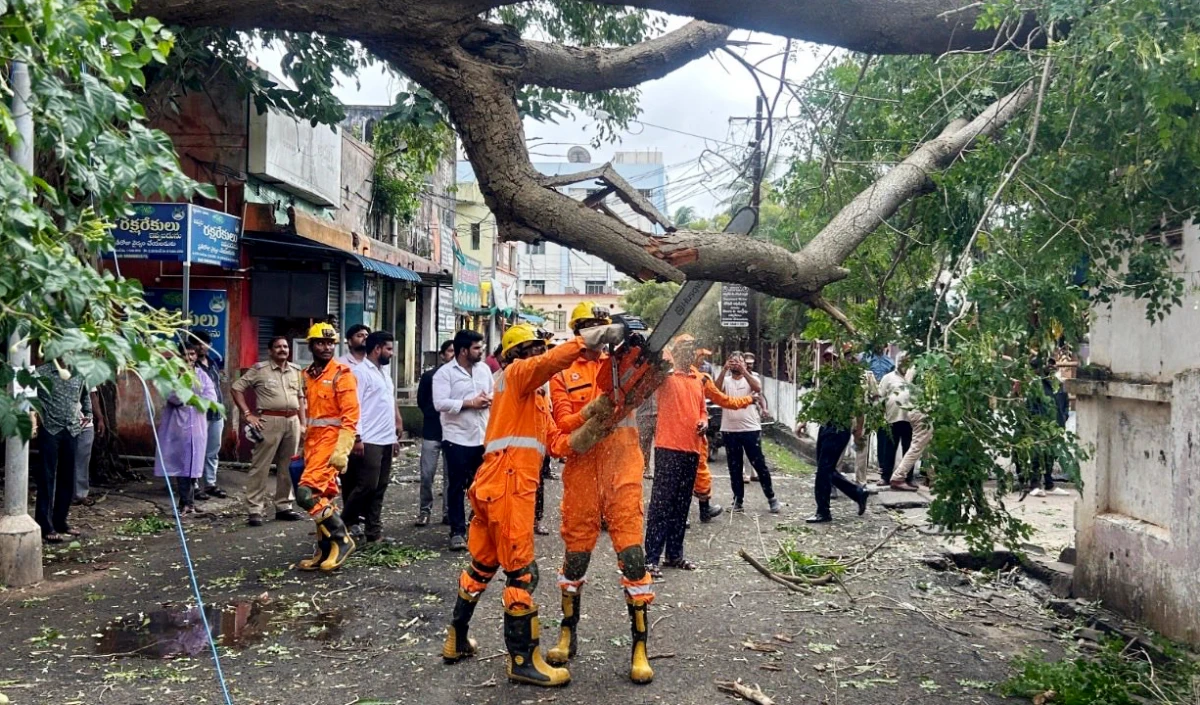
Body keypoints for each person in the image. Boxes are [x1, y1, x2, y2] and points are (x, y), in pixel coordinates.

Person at [441, 321, 623, 688]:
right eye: (534, 349)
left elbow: (557, 442)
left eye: (540, 349)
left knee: (482, 566)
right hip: (509, 483)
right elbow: (549, 363)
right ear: (518, 354)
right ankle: (522, 660)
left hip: (500, 483)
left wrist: (592, 419)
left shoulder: (535, 398)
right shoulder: (517, 374)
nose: (539, 354)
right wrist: (588, 341)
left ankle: (456, 639)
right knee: (524, 574)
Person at [545, 303, 655, 684]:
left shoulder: (623, 364)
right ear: (577, 331)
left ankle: (640, 646)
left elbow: (657, 371)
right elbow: (560, 428)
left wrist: (640, 346)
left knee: (633, 555)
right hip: (582, 472)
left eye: (601, 327)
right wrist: (590, 416)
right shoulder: (561, 374)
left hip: (623, 466)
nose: (596, 333)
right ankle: (566, 633)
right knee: (576, 556)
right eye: (588, 327)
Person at [644, 335, 753, 576]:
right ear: (675, 351)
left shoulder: (697, 379)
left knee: (682, 506)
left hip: (692, 449)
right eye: (683, 348)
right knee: (661, 505)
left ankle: (674, 555)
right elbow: (647, 378)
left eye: (690, 349)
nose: (688, 353)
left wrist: (704, 421)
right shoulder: (665, 376)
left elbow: (702, 410)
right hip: (668, 448)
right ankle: (651, 558)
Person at [294, 323, 360, 572]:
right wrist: (303, 448)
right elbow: (312, 417)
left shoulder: (342, 374)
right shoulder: (307, 376)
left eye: (330, 343)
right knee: (322, 499)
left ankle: (342, 540)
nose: (326, 347)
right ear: (310, 345)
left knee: (306, 495)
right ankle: (323, 552)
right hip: (313, 444)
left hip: (331, 444)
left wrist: (342, 451)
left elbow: (350, 417)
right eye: (321, 343)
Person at [232, 336, 306, 527]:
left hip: (292, 421)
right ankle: (255, 509)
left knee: (288, 466)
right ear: (270, 351)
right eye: (278, 347)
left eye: (285, 346)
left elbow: (301, 399)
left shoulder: (296, 371)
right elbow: (236, 388)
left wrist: (303, 423)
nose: (283, 349)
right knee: (261, 466)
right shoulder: (260, 370)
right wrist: (248, 414)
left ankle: (284, 506)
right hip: (269, 421)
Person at [433, 329, 493, 551]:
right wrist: (469, 403)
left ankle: (479, 525)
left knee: (482, 485)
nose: (481, 351)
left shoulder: (484, 369)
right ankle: (457, 531)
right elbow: (440, 403)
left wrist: (488, 400)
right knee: (456, 486)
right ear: (463, 350)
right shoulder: (445, 374)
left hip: (482, 436)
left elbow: (493, 393)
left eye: (481, 347)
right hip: (456, 437)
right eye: (477, 348)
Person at [343, 331, 402, 542]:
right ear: (377, 349)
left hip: (385, 438)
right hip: (368, 439)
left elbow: (387, 405)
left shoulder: (384, 374)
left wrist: (395, 435)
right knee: (366, 485)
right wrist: (357, 438)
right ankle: (342, 523)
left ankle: (373, 533)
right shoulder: (360, 373)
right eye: (388, 349)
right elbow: (354, 406)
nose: (391, 354)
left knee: (379, 488)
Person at [153, 340, 217, 517]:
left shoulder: (202, 375)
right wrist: (195, 398)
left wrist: (194, 399)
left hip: (197, 424)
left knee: (195, 464)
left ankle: (189, 502)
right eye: (184, 354)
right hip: (177, 425)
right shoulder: (172, 375)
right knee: (182, 464)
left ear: (196, 356)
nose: (188, 358)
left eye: (192, 354)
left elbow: (211, 397)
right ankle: (185, 502)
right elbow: (174, 397)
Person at [807, 351, 871, 524]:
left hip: (839, 428)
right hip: (826, 425)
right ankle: (857, 492)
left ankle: (823, 512)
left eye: (834, 359)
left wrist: (858, 433)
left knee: (823, 471)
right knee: (825, 468)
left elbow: (860, 411)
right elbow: (818, 402)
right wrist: (803, 421)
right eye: (828, 359)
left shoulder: (851, 383)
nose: (830, 362)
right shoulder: (830, 379)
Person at [34, 359, 93, 542]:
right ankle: (45, 525)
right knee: (46, 477)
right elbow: (28, 398)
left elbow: (84, 396)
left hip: (72, 429)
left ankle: (60, 521)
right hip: (49, 428)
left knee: (68, 477)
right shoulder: (41, 372)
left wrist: (88, 413)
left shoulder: (79, 372)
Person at [716, 352, 780, 514]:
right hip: (729, 430)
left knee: (759, 464)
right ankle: (738, 500)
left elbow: (758, 388)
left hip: (750, 429)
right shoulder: (726, 380)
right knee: (734, 467)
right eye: (733, 362)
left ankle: (771, 497)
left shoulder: (751, 378)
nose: (736, 364)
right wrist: (724, 370)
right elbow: (715, 391)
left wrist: (744, 371)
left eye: (739, 362)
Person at [416, 340, 456, 526]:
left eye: (456, 351)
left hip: (453, 433)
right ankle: (424, 510)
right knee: (426, 474)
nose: (453, 355)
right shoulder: (429, 377)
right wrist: (434, 414)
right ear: (442, 355)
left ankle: (448, 512)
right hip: (432, 432)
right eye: (449, 351)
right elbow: (422, 401)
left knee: (452, 477)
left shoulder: (461, 378)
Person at [190, 331, 228, 501]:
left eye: (204, 343)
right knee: (196, 449)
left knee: (213, 449)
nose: (201, 346)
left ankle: (210, 483)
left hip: (216, 413)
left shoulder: (213, 363)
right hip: (199, 413)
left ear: (209, 345)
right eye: (197, 343)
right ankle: (194, 485)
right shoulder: (190, 366)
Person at [1025, 358, 1071, 497]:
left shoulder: (1060, 386)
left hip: (1056, 427)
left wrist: (1062, 420)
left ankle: (1049, 484)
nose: (1051, 367)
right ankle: (1034, 484)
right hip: (1040, 428)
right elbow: (1031, 408)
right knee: (1037, 455)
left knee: (1051, 455)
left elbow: (1065, 406)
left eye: (1052, 364)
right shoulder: (1037, 386)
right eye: (1047, 364)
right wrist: (1037, 425)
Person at [690, 349, 723, 524]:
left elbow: (717, 395)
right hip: (683, 435)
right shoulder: (678, 377)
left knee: (701, 473)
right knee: (682, 476)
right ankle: (683, 515)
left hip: (699, 429)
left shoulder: (704, 375)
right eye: (700, 356)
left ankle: (704, 510)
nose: (703, 360)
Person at [877, 357, 916, 491]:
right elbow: (880, 396)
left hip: (910, 419)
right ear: (897, 363)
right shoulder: (888, 378)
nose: (903, 364)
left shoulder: (914, 376)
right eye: (901, 362)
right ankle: (885, 477)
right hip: (892, 418)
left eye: (906, 361)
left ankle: (908, 478)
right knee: (889, 449)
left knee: (909, 450)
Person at [71, 387, 101, 507]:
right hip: (65, 424)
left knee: (82, 460)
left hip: (85, 424)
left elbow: (92, 397)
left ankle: (81, 495)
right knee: (65, 460)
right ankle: (63, 494)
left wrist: (100, 418)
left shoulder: (87, 375)